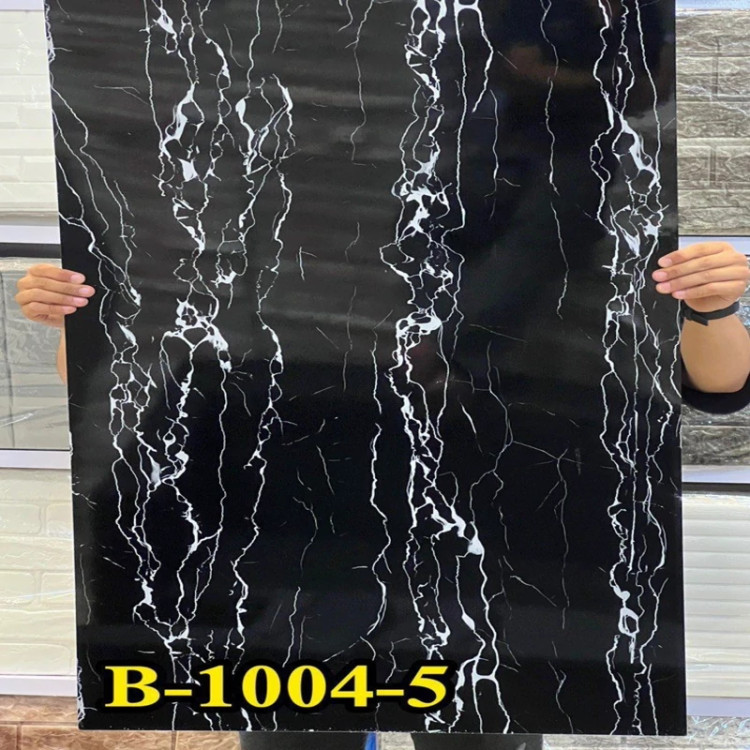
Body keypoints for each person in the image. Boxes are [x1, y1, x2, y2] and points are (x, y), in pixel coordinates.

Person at [14, 240, 750, 750]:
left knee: (483, 734)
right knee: (297, 737)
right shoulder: (239, 333)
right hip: (293, 574)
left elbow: (719, 390)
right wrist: (76, 319)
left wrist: (712, 310)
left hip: (482, 571)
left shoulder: (539, 323)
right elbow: (116, 396)